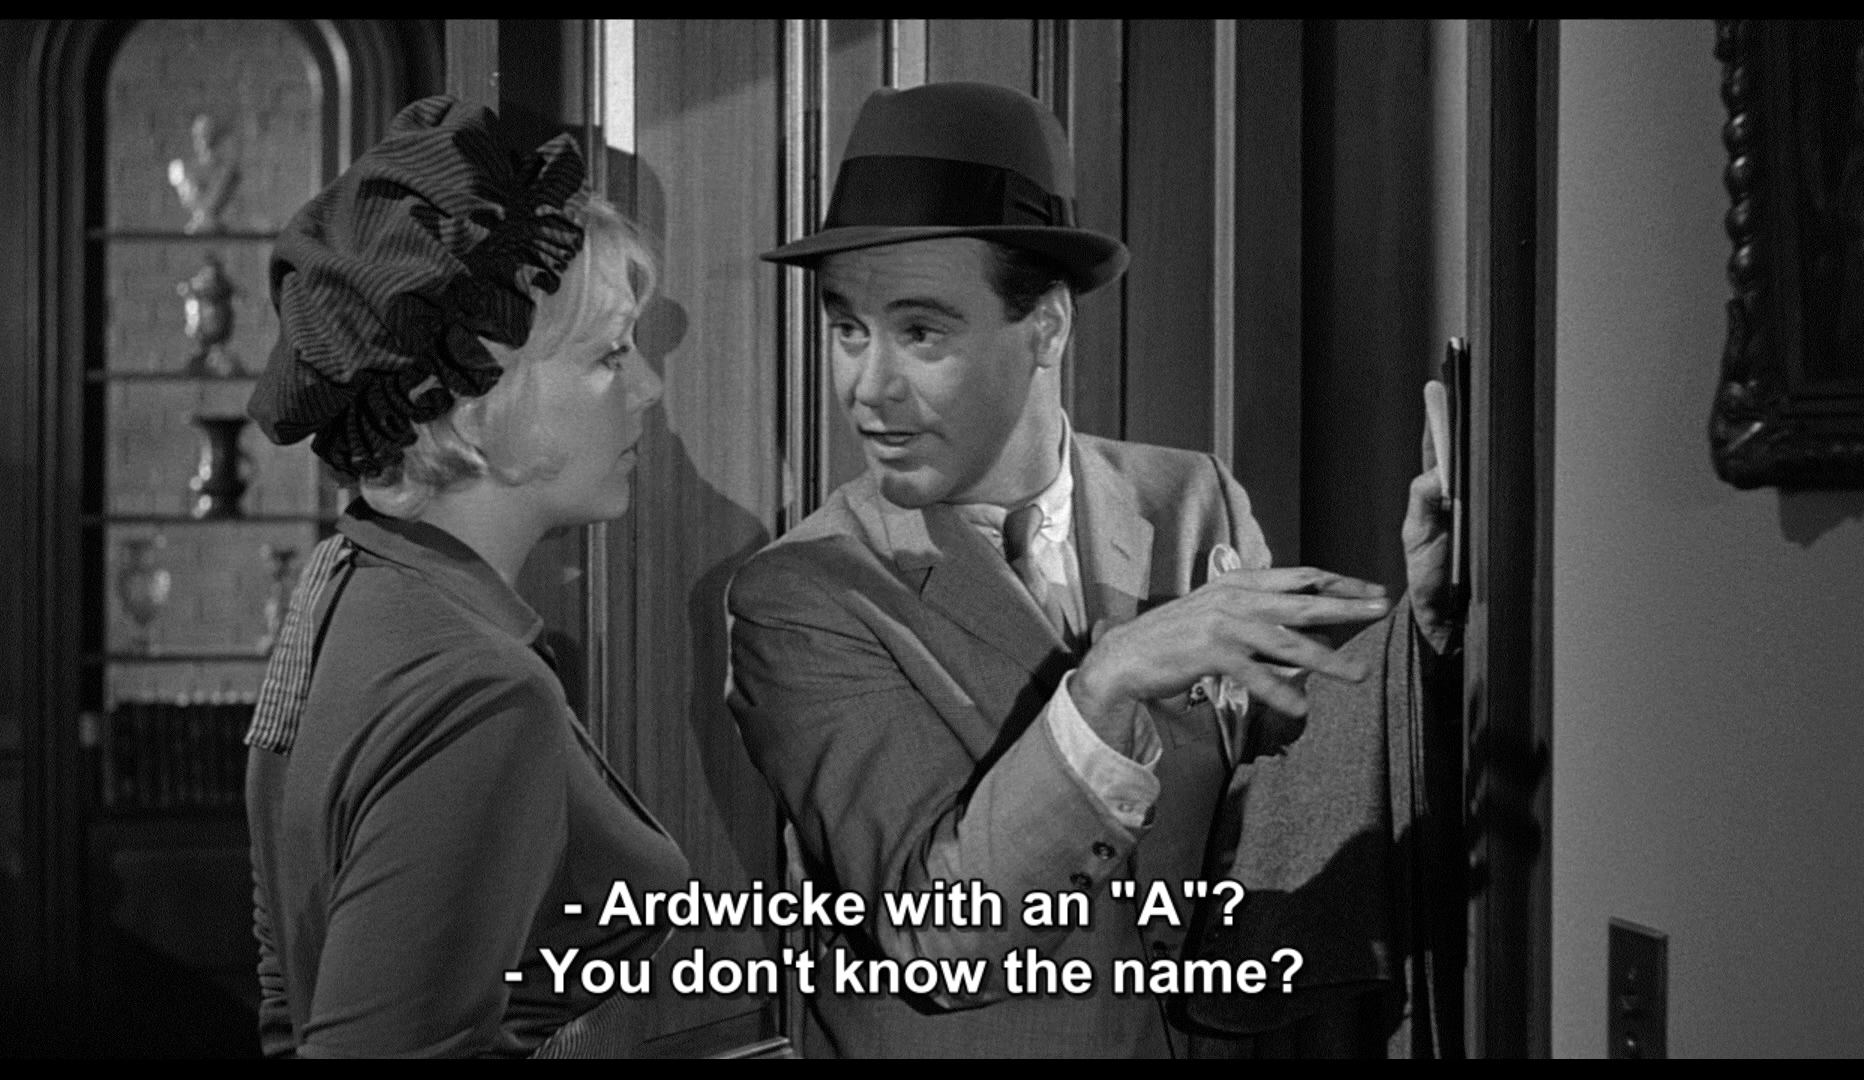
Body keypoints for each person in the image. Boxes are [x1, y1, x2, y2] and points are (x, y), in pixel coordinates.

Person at [725, 82, 1456, 1057]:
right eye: (847, 329)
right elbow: (936, 938)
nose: (868, 385)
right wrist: (1108, 684)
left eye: (919, 332)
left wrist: (1425, 626)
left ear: (1047, 327)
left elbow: (1283, 786)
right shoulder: (803, 594)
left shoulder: (1191, 500)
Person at [242, 97, 687, 1057]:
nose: (649, 389)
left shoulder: (351, 579)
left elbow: (290, 994)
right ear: (481, 401)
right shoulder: (478, 689)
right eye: (612, 355)